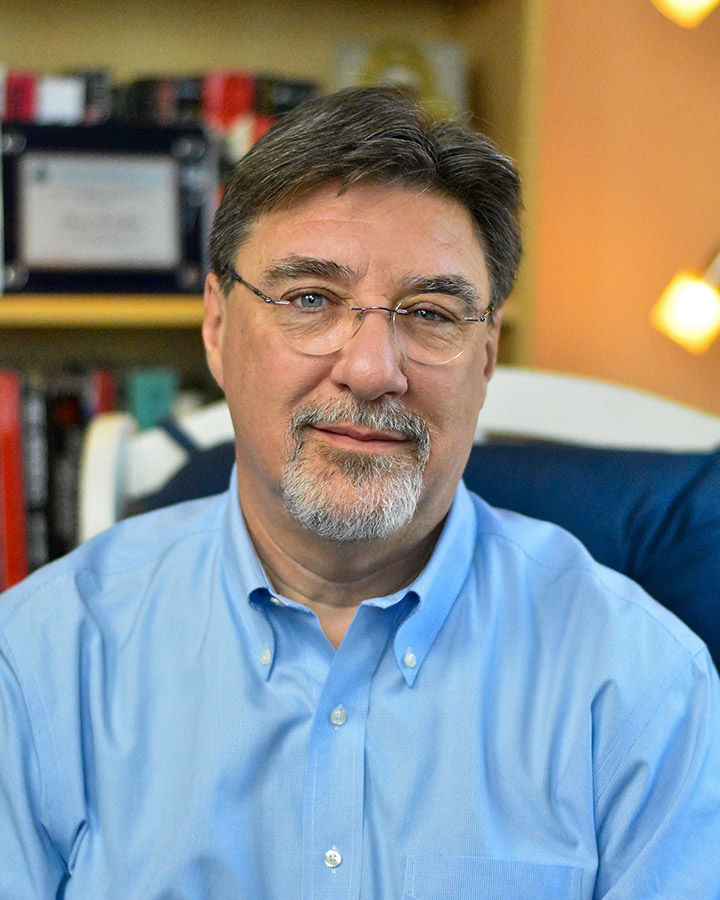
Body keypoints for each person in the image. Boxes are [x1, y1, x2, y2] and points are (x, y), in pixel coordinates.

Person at [1, 87, 719, 899]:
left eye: (430, 312)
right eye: (311, 300)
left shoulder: (640, 681)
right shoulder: (42, 659)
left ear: (485, 360)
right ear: (216, 327)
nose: (374, 369)